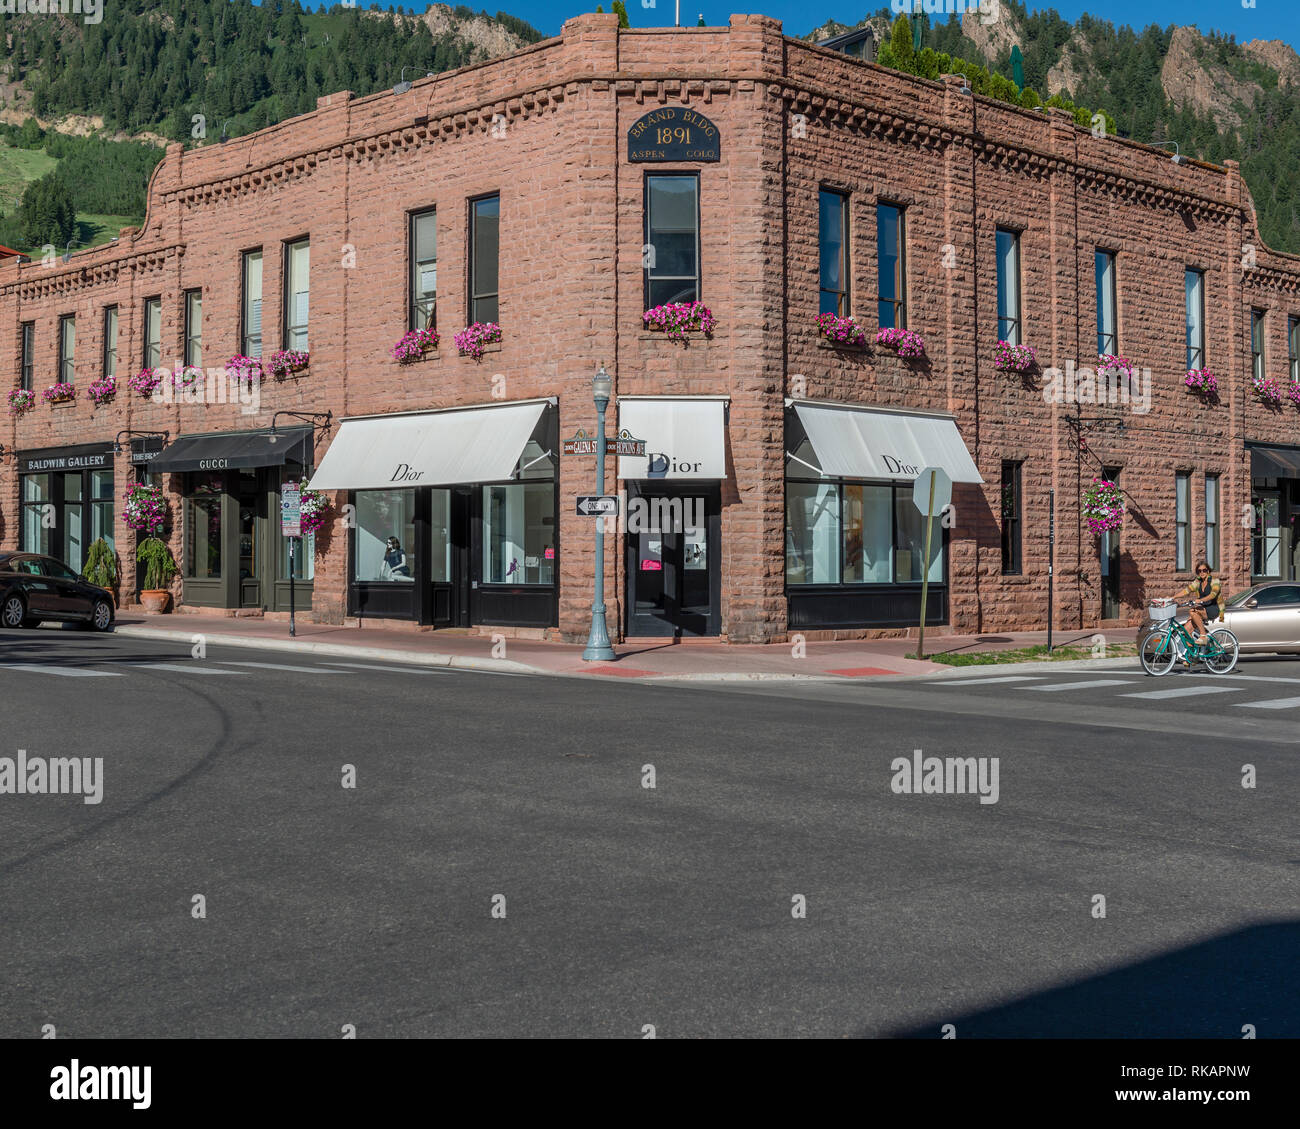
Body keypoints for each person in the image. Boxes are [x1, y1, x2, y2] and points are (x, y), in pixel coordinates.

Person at [1176, 560, 1223, 650]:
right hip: (1202, 609)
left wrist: (1200, 600)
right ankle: (1192, 656)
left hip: (1213, 609)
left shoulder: (1214, 581)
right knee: (1186, 630)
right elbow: (1187, 590)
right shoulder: (1198, 582)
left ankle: (1203, 636)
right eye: (1199, 571)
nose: (1202, 572)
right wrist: (1173, 597)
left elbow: (1213, 594)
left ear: (1208, 571)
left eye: (1204, 570)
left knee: (1193, 611)